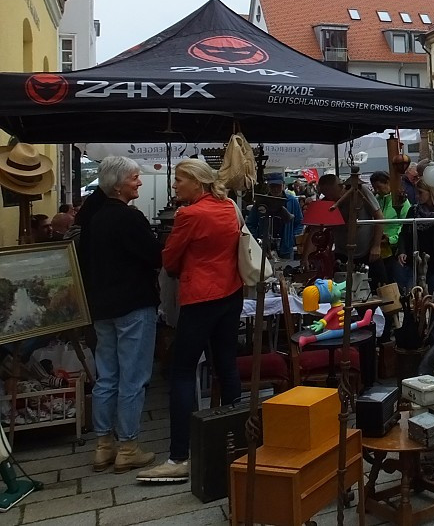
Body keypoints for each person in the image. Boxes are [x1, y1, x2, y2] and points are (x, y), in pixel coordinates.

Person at [138, 158, 242, 483]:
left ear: (197, 182)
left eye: (179, 180)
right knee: (226, 366)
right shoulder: (227, 207)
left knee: (181, 372)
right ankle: (236, 445)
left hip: (200, 298)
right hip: (231, 293)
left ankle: (180, 457)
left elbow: (169, 259)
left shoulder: (189, 214)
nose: (174, 186)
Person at [77, 157, 161, 473]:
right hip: (132, 306)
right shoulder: (130, 218)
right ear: (118, 184)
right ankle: (127, 447)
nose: (139, 182)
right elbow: (155, 257)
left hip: (102, 308)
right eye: (135, 178)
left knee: (106, 377)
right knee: (133, 378)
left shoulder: (95, 219)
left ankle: (103, 446)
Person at [398, 179, 434, 337]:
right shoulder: (414, 211)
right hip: (417, 264)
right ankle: (418, 332)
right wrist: (402, 251)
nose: (417, 196)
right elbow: (404, 234)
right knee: (416, 301)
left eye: (421, 193)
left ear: (432, 192)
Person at [370, 170, 412, 292]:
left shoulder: (400, 201)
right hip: (380, 248)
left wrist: (392, 239)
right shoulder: (377, 200)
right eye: (374, 188)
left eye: (379, 187)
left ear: (388, 182)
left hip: (395, 249)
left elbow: (404, 225)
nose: (377, 190)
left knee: (397, 282)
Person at [246, 172, 304, 260]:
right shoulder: (261, 202)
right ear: (268, 186)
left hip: (286, 248)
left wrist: (291, 238)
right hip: (265, 248)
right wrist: (256, 239)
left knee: (286, 271)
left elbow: (299, 222)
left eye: (278, 186)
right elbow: (250, 223)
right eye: (273, 186)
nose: (276, 189)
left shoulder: (292, 201)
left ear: (283, 185)